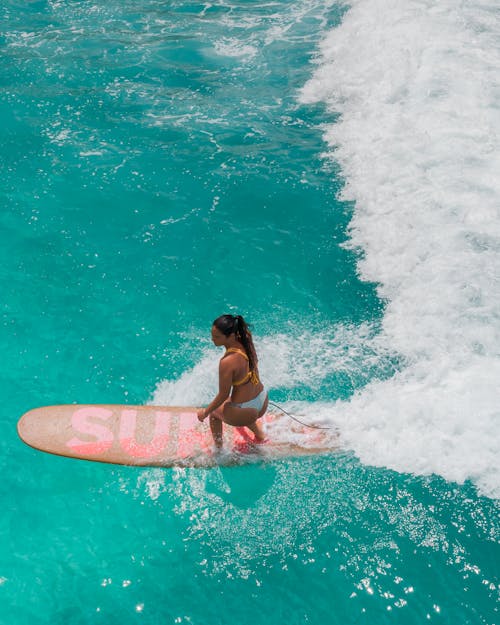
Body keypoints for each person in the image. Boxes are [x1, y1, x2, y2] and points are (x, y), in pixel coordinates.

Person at [197, 314, 268, 448]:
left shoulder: (227, 362)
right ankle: (260, 435)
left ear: (230, 336)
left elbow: (223, 394)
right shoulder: (246, 339)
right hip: (262, 400)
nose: (212, 339)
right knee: (233, 402)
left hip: (246, 411)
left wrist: (205, 412)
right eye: (212, 335)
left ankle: (219, 450)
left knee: (214, 413)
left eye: (217, 337)